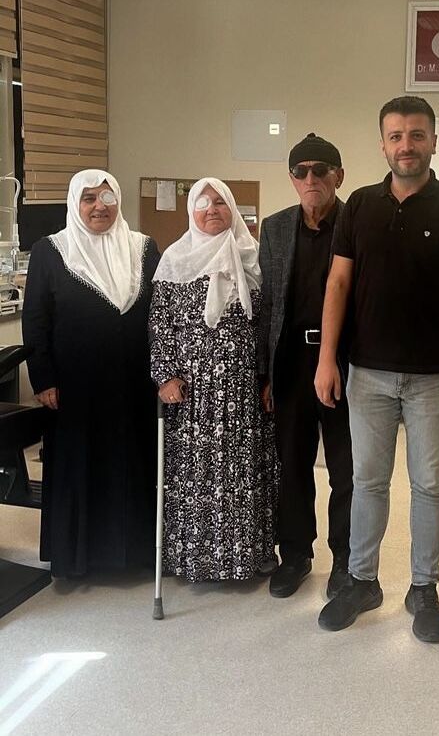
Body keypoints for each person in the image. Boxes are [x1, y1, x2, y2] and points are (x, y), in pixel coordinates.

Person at [314, 95, 439, 643]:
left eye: (416, 135)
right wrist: (326, 358)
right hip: (367, 374)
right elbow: (338, 282)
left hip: (435, 377)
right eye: (396, 136)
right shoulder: (359, 207)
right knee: (367, 481)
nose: (405, 145)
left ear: (433, 141)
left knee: (429, 485)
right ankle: (362, 581)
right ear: (383, 144)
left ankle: (423, 588)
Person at [22, 169, 160, 578]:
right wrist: (43, 378)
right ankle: (80, 559)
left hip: (134, 385)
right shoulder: (51, 250)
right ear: (74, 203)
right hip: (75, 388)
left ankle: (135, 556)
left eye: (107, 197)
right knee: (81, 466)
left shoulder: (143, 248)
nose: (100, 206)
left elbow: (161, 312)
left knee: (132, 464)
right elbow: (36, 319)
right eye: (89, 198)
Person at [149, 178, 276, 582]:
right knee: (196, 474)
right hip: (193, 392)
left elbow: (268, 324)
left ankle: (245, 557)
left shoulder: (254, 257)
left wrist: (269, 377)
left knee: (242, 472)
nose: (212, 210)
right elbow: (160, 324)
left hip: (242, 388)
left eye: (221, 203)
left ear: (233, 209)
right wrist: (165, 376)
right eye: (203, 203)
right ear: (191, 211)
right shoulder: (174, 259)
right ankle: (194, 560)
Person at [258, 133, 353, 600]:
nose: (311, 178)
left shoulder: (357, 224)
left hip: (345, 363)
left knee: (345, 469)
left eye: (321, 170)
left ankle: (347, 561)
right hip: (292, 361)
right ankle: (295, 554)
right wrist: (265, 375)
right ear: (292, 179)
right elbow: (268, 305)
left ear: (339, 176)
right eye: (301, 171)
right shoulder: (275, 228)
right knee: (292, 464)